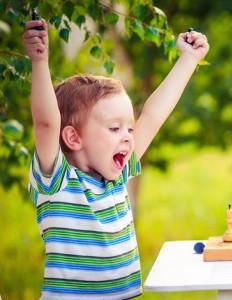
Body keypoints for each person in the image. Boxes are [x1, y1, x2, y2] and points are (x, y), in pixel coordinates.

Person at [23, 17, 209, 299]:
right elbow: (47, 123)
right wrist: (39, 62)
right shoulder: (57, 181)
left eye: (129, 129)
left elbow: (154, 115)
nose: (127, 137)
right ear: (73, 138)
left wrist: (189, 59)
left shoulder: (116, 175)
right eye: (114, 128)